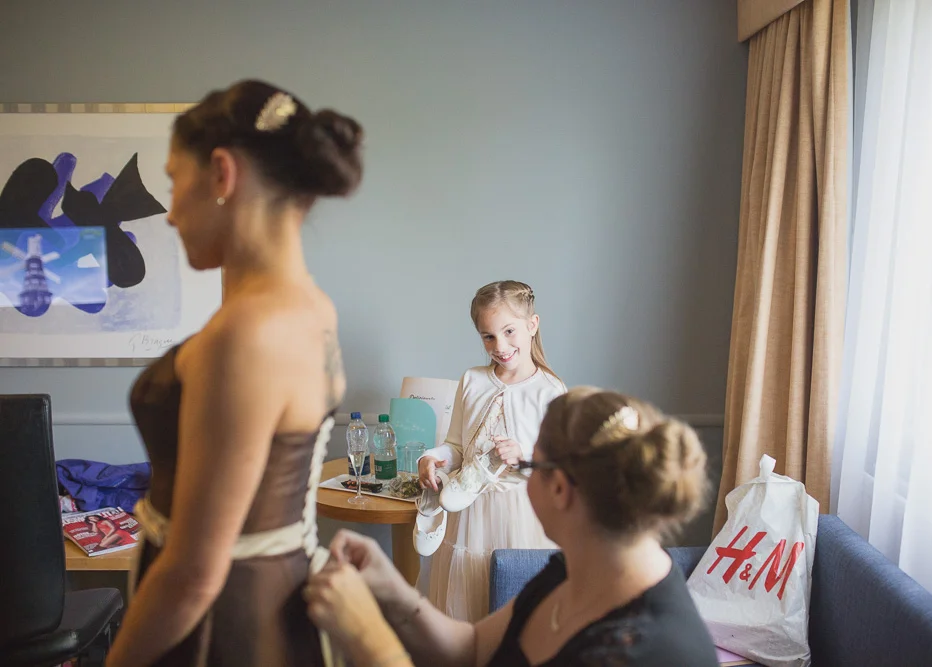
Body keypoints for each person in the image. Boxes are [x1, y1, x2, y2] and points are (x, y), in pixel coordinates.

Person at [106, 79, 364, 667]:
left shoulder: (246, 336)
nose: (170, 214)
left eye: (173, 181)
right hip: (270, 607)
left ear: (221, 174)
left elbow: (192, 577)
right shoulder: (310, 307)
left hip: (219, 631)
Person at [305, 387, 719, 666]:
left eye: (528, 464)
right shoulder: (569, 572)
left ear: (559, 488)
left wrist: (367, 637)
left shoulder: (641, 650)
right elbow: (472, 648)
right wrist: (392, 591)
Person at [417, 280, 566, 622]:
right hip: (468, 512)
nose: (500, 346)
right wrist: (432, 457)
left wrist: (525, 456)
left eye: (509, 331)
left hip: (523, 516)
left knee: (516, 612)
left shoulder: (550, 390)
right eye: (488, 336)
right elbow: (457, 446)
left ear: (532, 325)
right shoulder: (472, 380)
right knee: (467, 602)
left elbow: (560, 468)